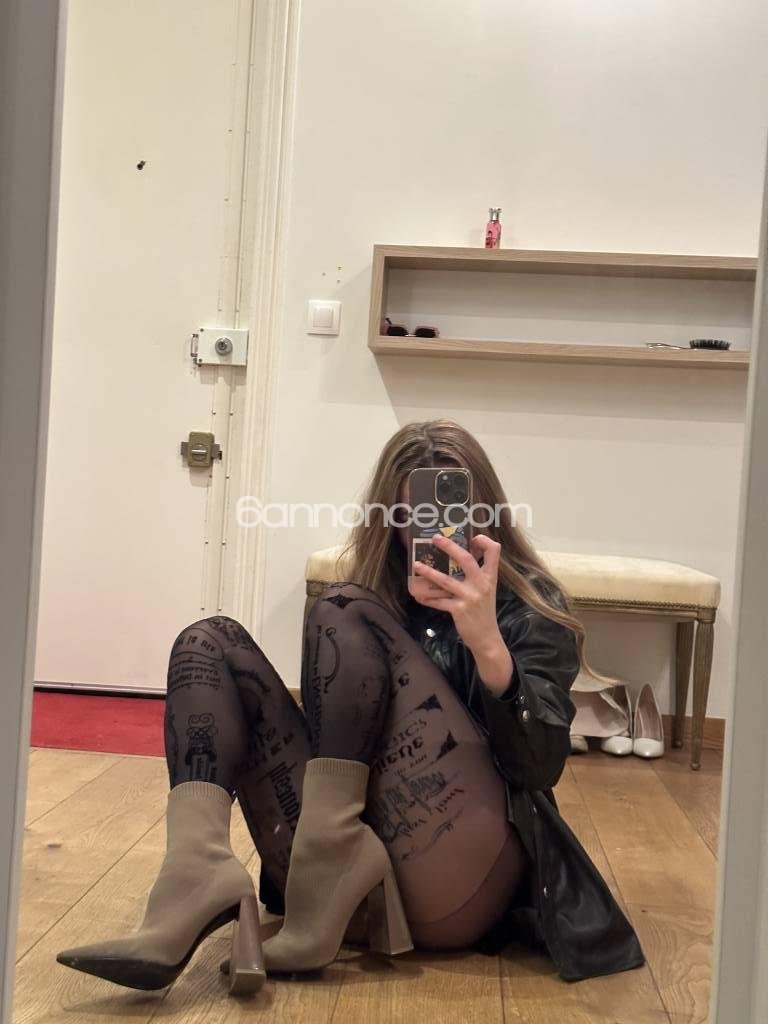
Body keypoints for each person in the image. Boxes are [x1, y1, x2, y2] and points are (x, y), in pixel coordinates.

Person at [56, 419, 644, 993]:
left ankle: (330, 860)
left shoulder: (529, 605)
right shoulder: (371, 604)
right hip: (340, 886)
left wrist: (487, 642)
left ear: (485, 515)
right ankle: (194, 878)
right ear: (390, 520)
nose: (431, 530)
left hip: (462, 883)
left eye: (450, 512)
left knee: (339, 605)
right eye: (410, 515)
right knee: (206, 644)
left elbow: (539, 769)